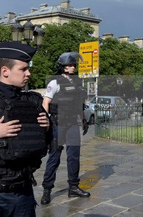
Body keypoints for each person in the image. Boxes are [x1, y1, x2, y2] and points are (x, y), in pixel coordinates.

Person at [0, 41, 50, 217]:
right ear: (5, 71)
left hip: (24, 193)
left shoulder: (33, 102)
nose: (28, 73)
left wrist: (47, 128)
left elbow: (46, 144)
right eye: (23, 69)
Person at [40, 52, 90, 205]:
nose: (72, 67)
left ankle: (73, 187)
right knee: (54, 156)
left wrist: (84, 119)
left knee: (74, 156)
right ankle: (47, 190)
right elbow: (45, 103)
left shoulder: (77, 82)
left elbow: (78, 104)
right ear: (62, 67)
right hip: (58, 123)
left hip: (73, 123)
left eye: (73, 65)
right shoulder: (55, 82)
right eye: (69, 65)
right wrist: (47, 121)